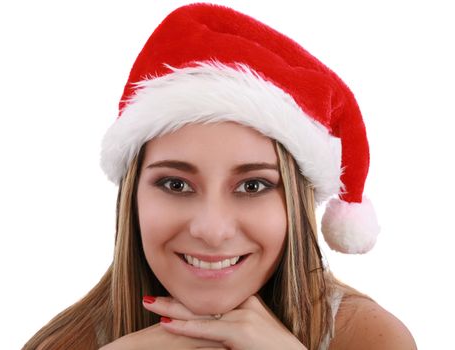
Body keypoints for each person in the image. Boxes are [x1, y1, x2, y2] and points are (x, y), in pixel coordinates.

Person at [23, 3, 416, 349]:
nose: (212, 230)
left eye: (253, 185)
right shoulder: (65, 345)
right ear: (133, 196)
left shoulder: (368, 339)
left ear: (295, 203)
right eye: (175, 184)